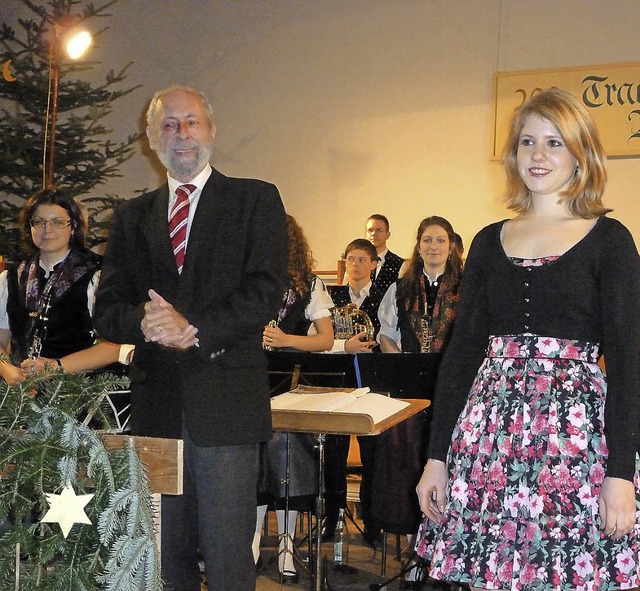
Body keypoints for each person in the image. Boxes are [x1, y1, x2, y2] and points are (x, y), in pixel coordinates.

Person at [416, 88, 640, 591]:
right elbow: (461, 356)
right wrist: (436, 458)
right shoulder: (488, 241)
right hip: (488, 439)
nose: (538, 155)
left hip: (573, 443)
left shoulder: (610, 240)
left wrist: (621, 473)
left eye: (555, 142)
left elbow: (629, 365)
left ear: (582, 153)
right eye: (527, 141)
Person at [93, 85, 288, 591]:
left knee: (228, 562)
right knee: (165, 562)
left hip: (226, 409)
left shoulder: (255, 199)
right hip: (157, 412)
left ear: (212, 131)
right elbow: (107, 310)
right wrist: (148, 322)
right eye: (170, 125)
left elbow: (266, 290)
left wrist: (194, 330)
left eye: (192, 122)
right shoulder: (131, 217)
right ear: (151, 140)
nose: (182, 134)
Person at [257, 214, 334, 583]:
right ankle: (251, 540)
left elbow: (325, 339)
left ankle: (287, 542)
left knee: (286, 466)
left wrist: (287, 340)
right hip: (246, 382)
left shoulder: (310, 283)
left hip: (287, 387)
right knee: (252, 462)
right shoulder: (248, 280)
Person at [0, 188, 129, 384]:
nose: (47, 230)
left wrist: (56, 366)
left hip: (81, 393)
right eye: (39, 222)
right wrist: (6, 369)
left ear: (74, 226)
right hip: (21, 398)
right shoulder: (11, 278)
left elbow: (115, 345)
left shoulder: (99, 275)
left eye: (58, 222)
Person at [324, 238, 385, 545]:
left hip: (372, 381)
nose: (356, 265)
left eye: (363, 259)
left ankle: (372, 519)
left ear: (374, 264)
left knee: (373, 453)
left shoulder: (384, 295)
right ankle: (331, 515)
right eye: (351, 259)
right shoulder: (331, 296)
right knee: (333, 453)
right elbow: (321, 337)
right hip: (338, 380)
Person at [377, 216, 463, 354]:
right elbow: (386, 336)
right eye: (427, 240)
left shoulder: (466, 288)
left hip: (454, 372)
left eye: (440, 240)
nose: (433, 246)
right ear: (419, 247)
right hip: (411, 372)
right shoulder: (399, 289)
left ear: (451, 247)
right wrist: (406, 367)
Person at [365, 214, 405, 294]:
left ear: (388, 235)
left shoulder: (400, 264)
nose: (373, 234)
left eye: (379, 230)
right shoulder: (356, 262)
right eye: (370, 230)